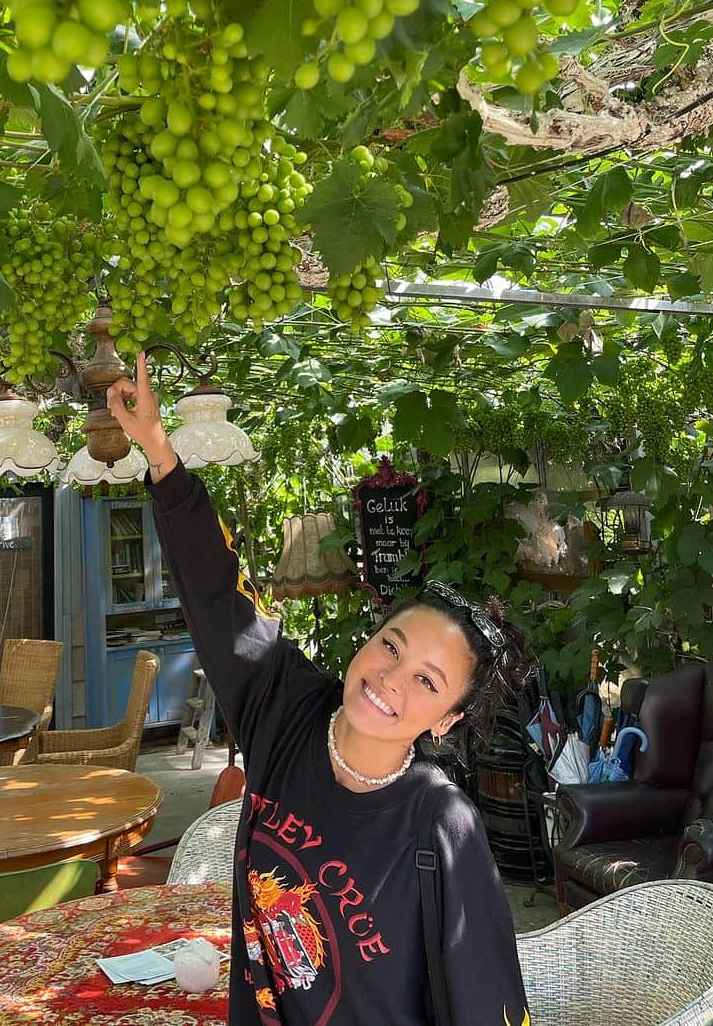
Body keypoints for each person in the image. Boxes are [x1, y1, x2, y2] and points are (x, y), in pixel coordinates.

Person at [108, 355, 532, 1026]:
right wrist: (159, 448)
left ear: (447, 719)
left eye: (426, 680)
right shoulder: (286, 708)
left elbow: (484, 996)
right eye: (391, 645)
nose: (391, 678)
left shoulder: (437, 822)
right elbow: (219, 595)